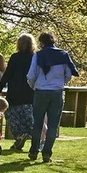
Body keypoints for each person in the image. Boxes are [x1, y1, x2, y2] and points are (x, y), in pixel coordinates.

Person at [26, 31, 78, 163]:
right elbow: (68, 74)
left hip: (41, 91)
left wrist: (34, 86)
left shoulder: (38, 56)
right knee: (53, 125)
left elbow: (31, 75)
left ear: (42, 43)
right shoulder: (63, 55)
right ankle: (47, 153)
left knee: (37, 123)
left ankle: (33, 151)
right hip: (57, 91)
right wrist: (60, 83)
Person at [0, 34, 36, 151]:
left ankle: (19, 135)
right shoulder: (34, 57)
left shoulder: (15, 57)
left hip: (14, 92)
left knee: (12, 116)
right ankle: (34, 137)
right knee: (29, 117)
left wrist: (0, 88)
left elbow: (7, 74)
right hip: (30, 92)